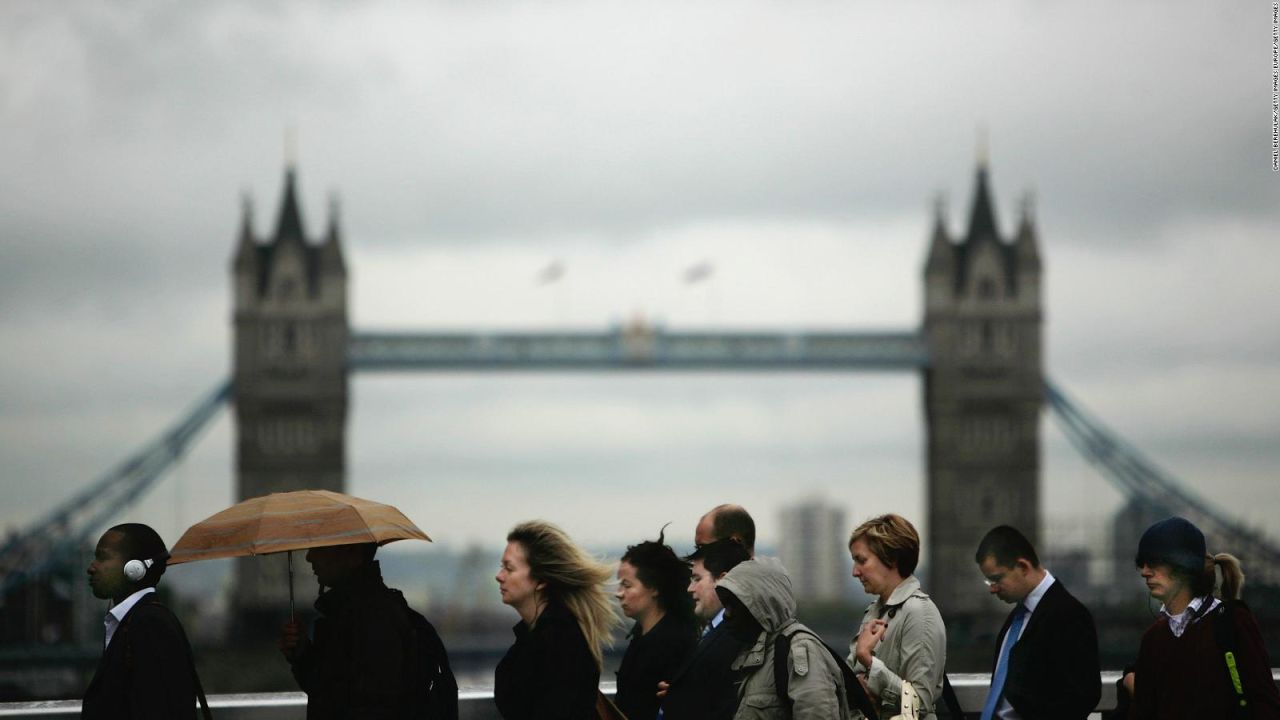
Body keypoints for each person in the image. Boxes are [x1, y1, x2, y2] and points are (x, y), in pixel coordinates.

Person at [279, 541, 457, 719]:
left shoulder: (372, 620)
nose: (309, 557)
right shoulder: (359, 615)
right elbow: (333, 693)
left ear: (352, 553)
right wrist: (304, 656)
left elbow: (365, 706)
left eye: (319, 547)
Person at [1124, 516, 1280, 719]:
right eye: (1142, 563)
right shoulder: (1153, 638)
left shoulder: (1232, 623)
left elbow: (1264, 703)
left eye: (1155, 562)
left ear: (1184, 567)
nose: (1145, 571)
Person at [494, 520, 621, 720]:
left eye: (509, 569)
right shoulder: (537, 636)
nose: (499, 576)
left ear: (541, 580)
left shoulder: (561, 642)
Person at [973, 525, 1100, 720]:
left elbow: (1081, 698)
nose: (993, 589)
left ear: (1023, 566)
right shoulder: (1017, 618)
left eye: (996, 579)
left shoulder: (1069, 615)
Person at [82, 523, 203, 720]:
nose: (91, 567)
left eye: (102, 557)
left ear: (134, 569)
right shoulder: (137, 620)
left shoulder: (149, 625)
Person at [716, 557, 851, 719]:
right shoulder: (759, 653)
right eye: (725, 605)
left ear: (763, 604)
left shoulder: (799, 650)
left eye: (735, 605)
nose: (726, 615)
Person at [847, 513, 946, 720]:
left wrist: (868, 661)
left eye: (862, 561)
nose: (855, 572)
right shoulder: (875, 610)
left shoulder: (920, 613)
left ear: (891, 558)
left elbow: (918, 705)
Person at [660, 537, 752, 720]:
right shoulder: (716, 632)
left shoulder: (737, 638)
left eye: (697, 579)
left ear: (723, 581)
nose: (690, 588)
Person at [614, 528, 699, 720]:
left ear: (654, 588)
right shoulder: (643, 637)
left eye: (627, 585)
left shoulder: (674, 644)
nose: (618, 593)